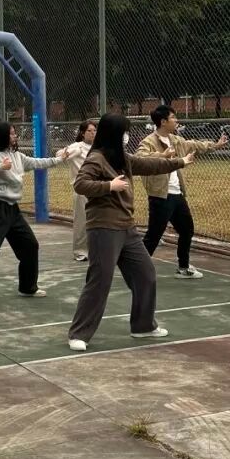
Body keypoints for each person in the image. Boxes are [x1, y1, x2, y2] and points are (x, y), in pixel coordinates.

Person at [68, 115, 195, 351]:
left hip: (127, 227)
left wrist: (180, 162)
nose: (127, 136)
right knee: (100, 280)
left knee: (145, 274)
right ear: (114, 134)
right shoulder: (96, 158)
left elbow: (148, 165)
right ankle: (79, 333)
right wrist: (109, 186)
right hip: (104, 227)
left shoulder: (122, 158)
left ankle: (143, 326)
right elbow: (81, 184)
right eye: (124, 132)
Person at [0, 121, 68, 306]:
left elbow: (37, 162)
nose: (15, 136)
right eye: (12, 133)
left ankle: (28, 287)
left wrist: (59, 159)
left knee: (30, 246)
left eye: (15, 133)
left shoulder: (18, 156)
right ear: (2, 136)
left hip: (13, 209)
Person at [137, 105, 227, 278]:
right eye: (173, 117)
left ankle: (183, 267)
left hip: (177, 195)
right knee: (154, 235)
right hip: (160, 196)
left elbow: (193, 145)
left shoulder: (175, 140)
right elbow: (140, 158)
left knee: (187, 230)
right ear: (163, 122)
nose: (176, 120)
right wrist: (162, 156)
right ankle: (137, 268)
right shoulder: (149, 142)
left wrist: (215, 145)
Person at [61, 119, 97, 262]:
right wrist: (70, 152)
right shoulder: (77, 146)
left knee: (98, 220)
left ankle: (96, 250)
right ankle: (80, 252)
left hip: (98, 188)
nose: (93, 133)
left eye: (94, 130)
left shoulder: (99, 147)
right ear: (82, 133)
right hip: (82, 190)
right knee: (82, 222)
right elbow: (60, 154)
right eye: (89, 131)